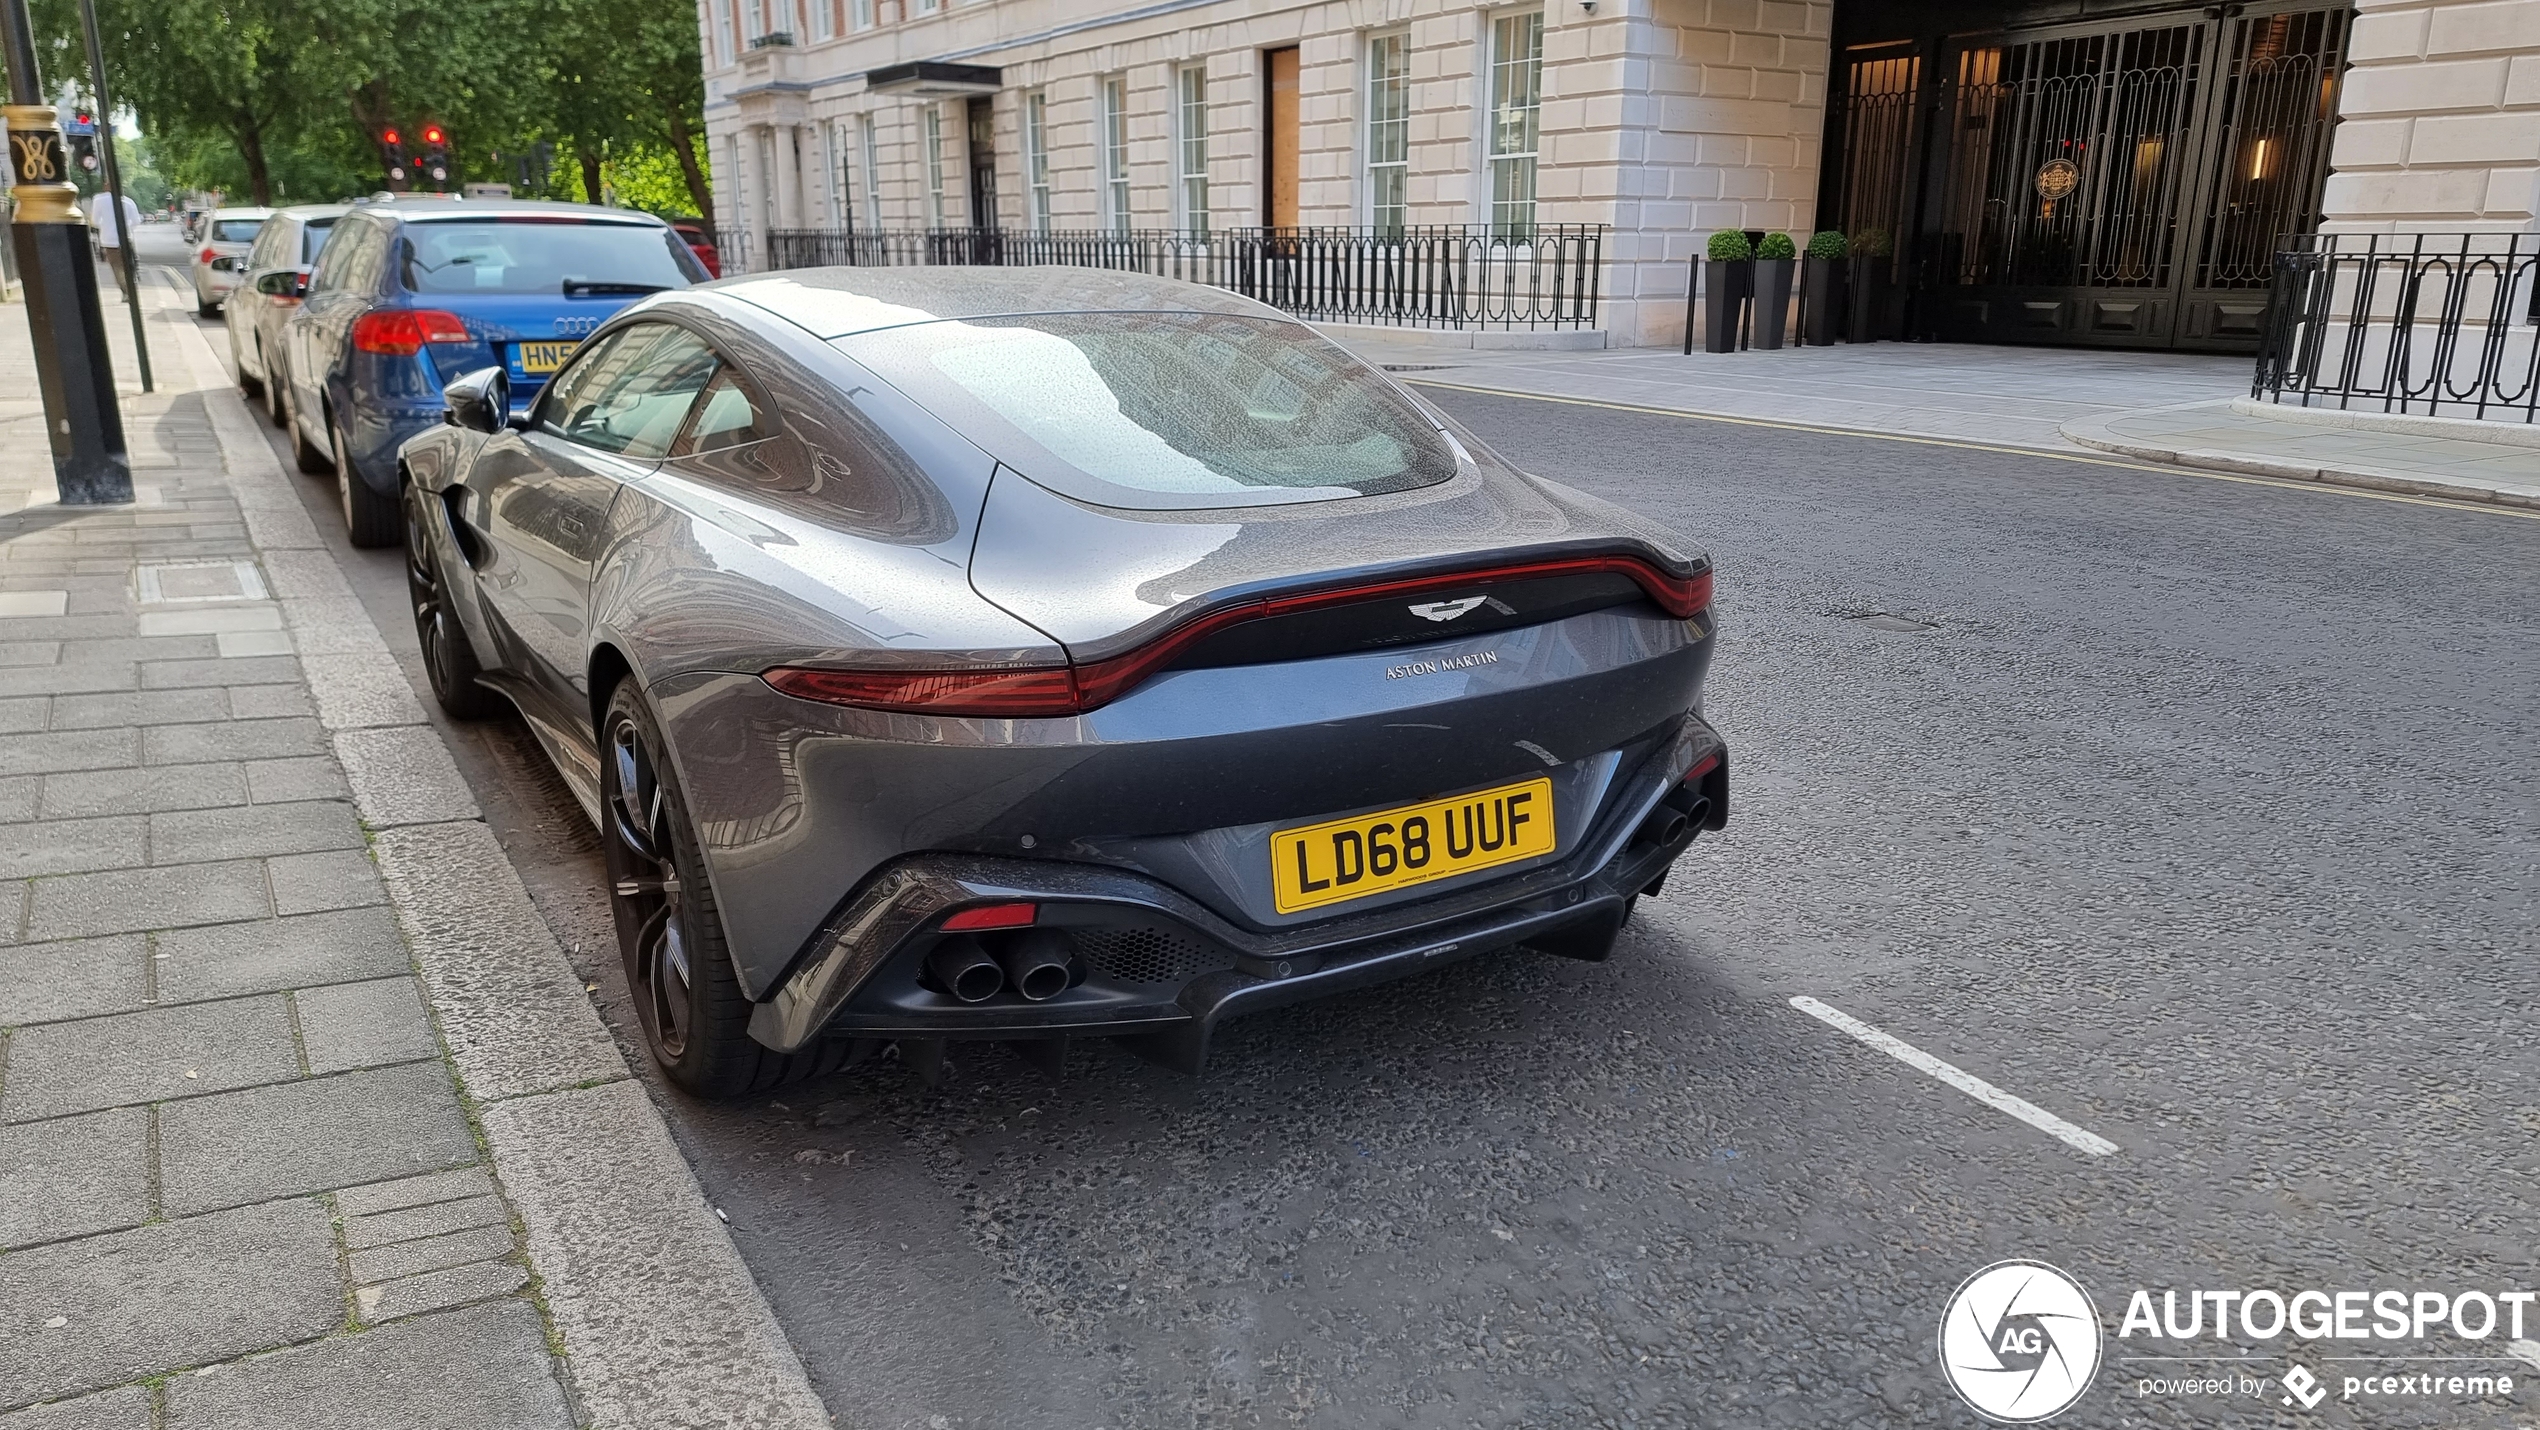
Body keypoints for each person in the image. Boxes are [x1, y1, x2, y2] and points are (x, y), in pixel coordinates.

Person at [88, 189, 141, 301]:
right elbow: (136, 221)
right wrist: (126, 226)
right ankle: (132, 287)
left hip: (109, 240)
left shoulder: (98, 200)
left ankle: (126, 291)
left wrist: (106, 226)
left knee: (117, 267)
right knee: (128, 265)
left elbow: (94, 221)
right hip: (126, 238)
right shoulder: (128, 202)